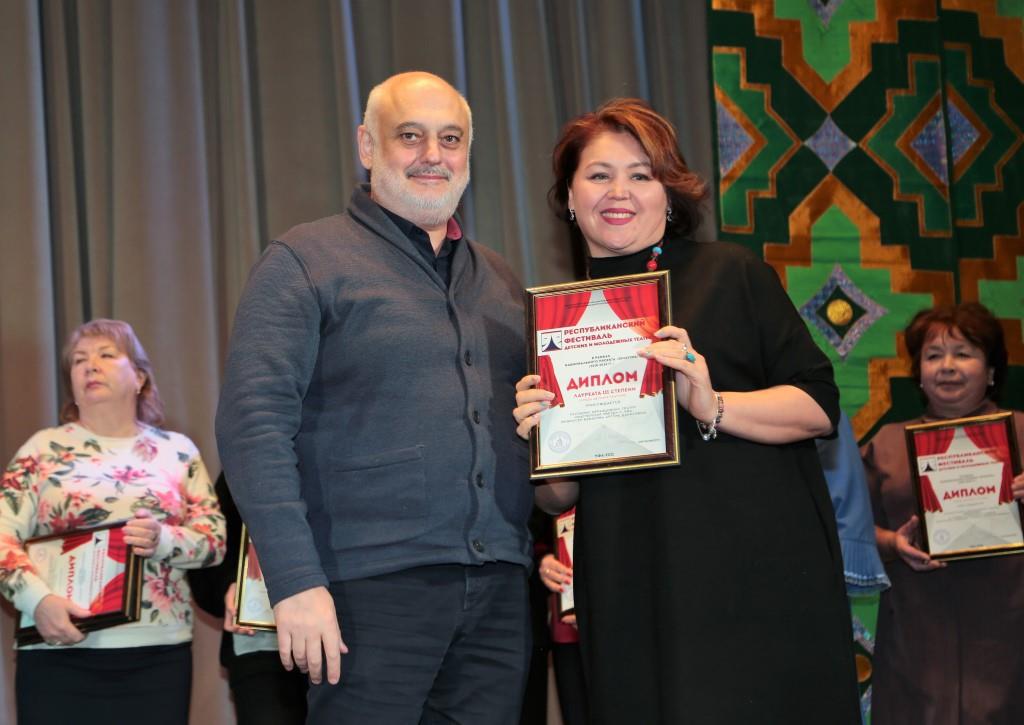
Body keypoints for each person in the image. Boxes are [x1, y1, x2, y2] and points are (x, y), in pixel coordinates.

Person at [513, 98, 860, 723]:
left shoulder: (730, 273)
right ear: (568, 196)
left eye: (641, 175)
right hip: (629, 582)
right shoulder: (557, 321)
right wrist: (540, 439)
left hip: (750, 574)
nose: (619, 191)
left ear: (669, 195)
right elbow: (560, 496)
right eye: (599, 175)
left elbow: (818, 405)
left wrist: (712, 403)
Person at [215, 71, 533, 724]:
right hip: (365, 592)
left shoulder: (499, 278)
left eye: (451, 138)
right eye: (409, 136)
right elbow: (253, 424)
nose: (433, 155)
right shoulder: (304, 259)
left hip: (499, 591)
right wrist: (296, 581)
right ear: (367, 146)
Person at [0, 318, 225, 725]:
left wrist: (162, 540)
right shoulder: (42, 449)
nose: (90, 365)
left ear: (139, 377)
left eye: (106, 354)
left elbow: (215, 541)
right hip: (56, 652)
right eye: (79, 360)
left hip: (157, 656)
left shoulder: (177, 451)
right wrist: (38, 601)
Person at [861, 302, 1024, 724]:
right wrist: (892, 543)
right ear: (919, 373)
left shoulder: (1022, 432)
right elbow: (848, 531)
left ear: (991, 370)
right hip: (917, 638)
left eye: (963, 354)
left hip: (1010, 634)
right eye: (933, 356)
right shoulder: (886, 444)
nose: (947, 366)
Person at [187, 473, 308, 725]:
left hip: (352, 640)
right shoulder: (245, 461)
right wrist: (230, 585)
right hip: (260, 646)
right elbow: (211, 552)